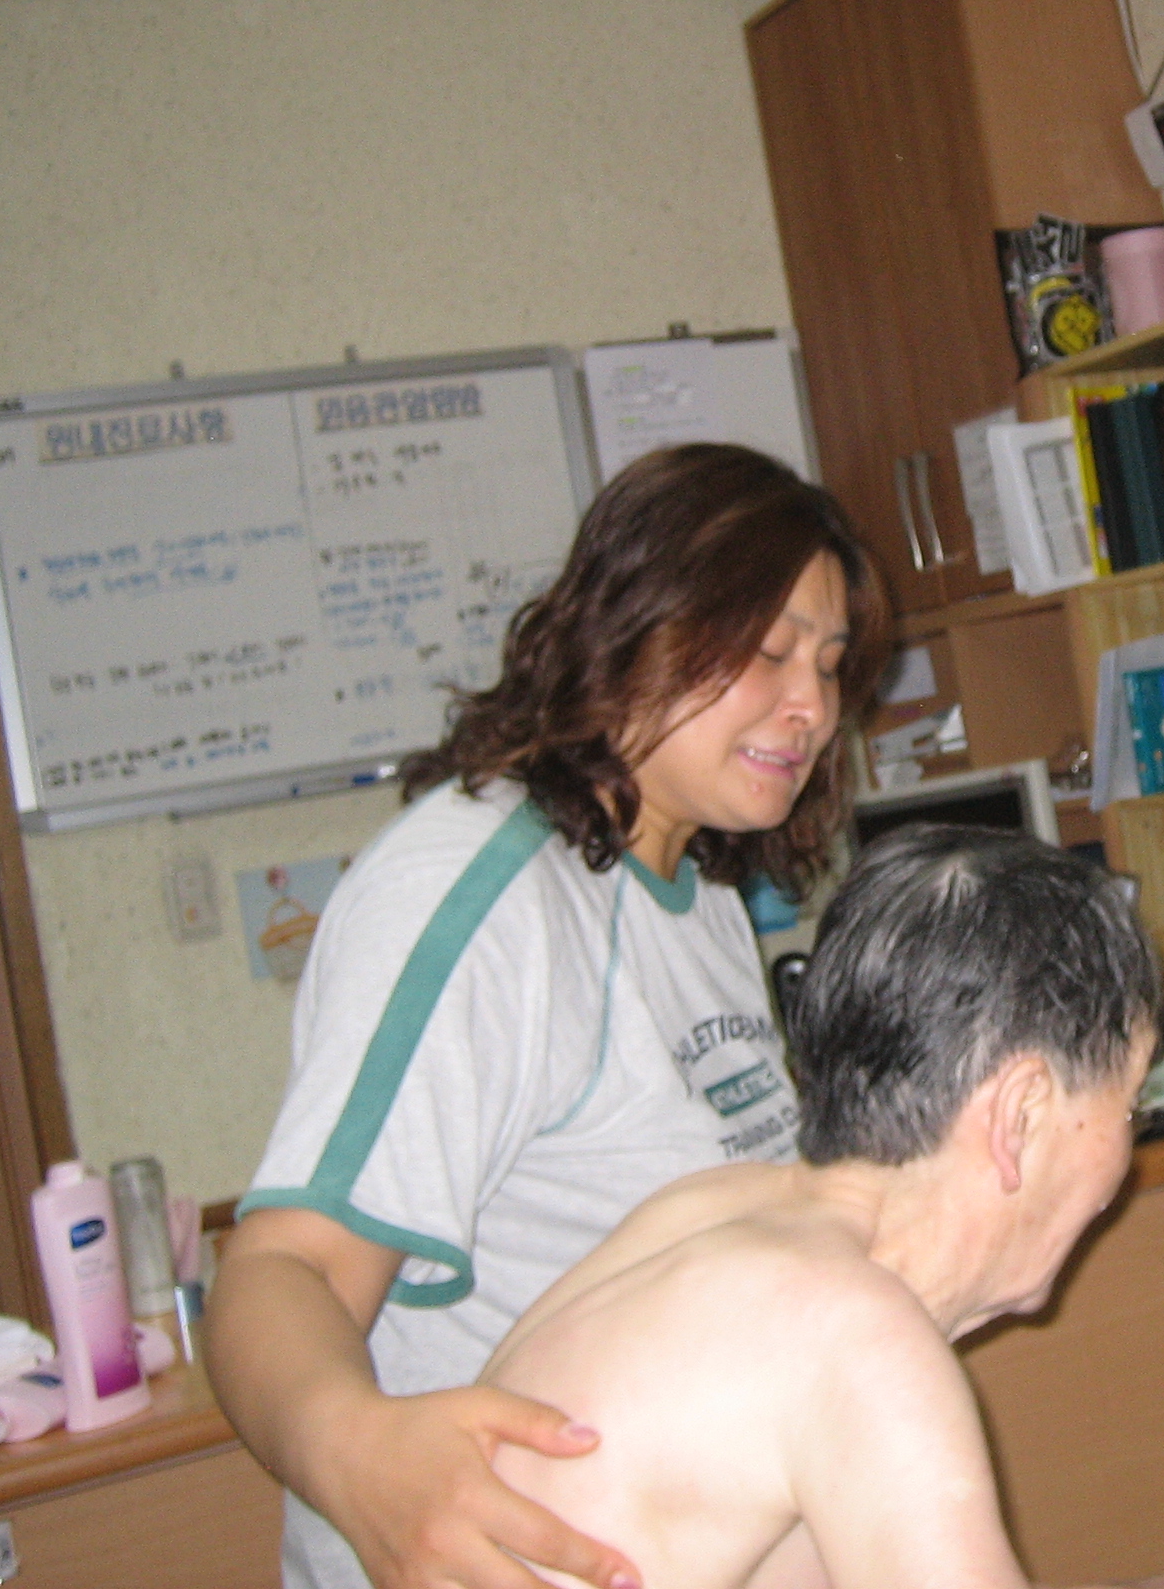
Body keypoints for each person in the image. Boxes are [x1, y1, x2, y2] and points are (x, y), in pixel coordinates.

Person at [207, 443, 895, 1589]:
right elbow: (285, 1270)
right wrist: (357, 1453)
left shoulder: (698, 894)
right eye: (769, 653)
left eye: (829, 666)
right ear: (638, 628)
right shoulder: (481, 893)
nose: (813, 708)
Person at [478, 825, 1164, 1589]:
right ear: (1018, 1117)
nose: (1125, 1153)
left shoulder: (706, 1208)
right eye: (1129, 1106)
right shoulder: (856, 1341)